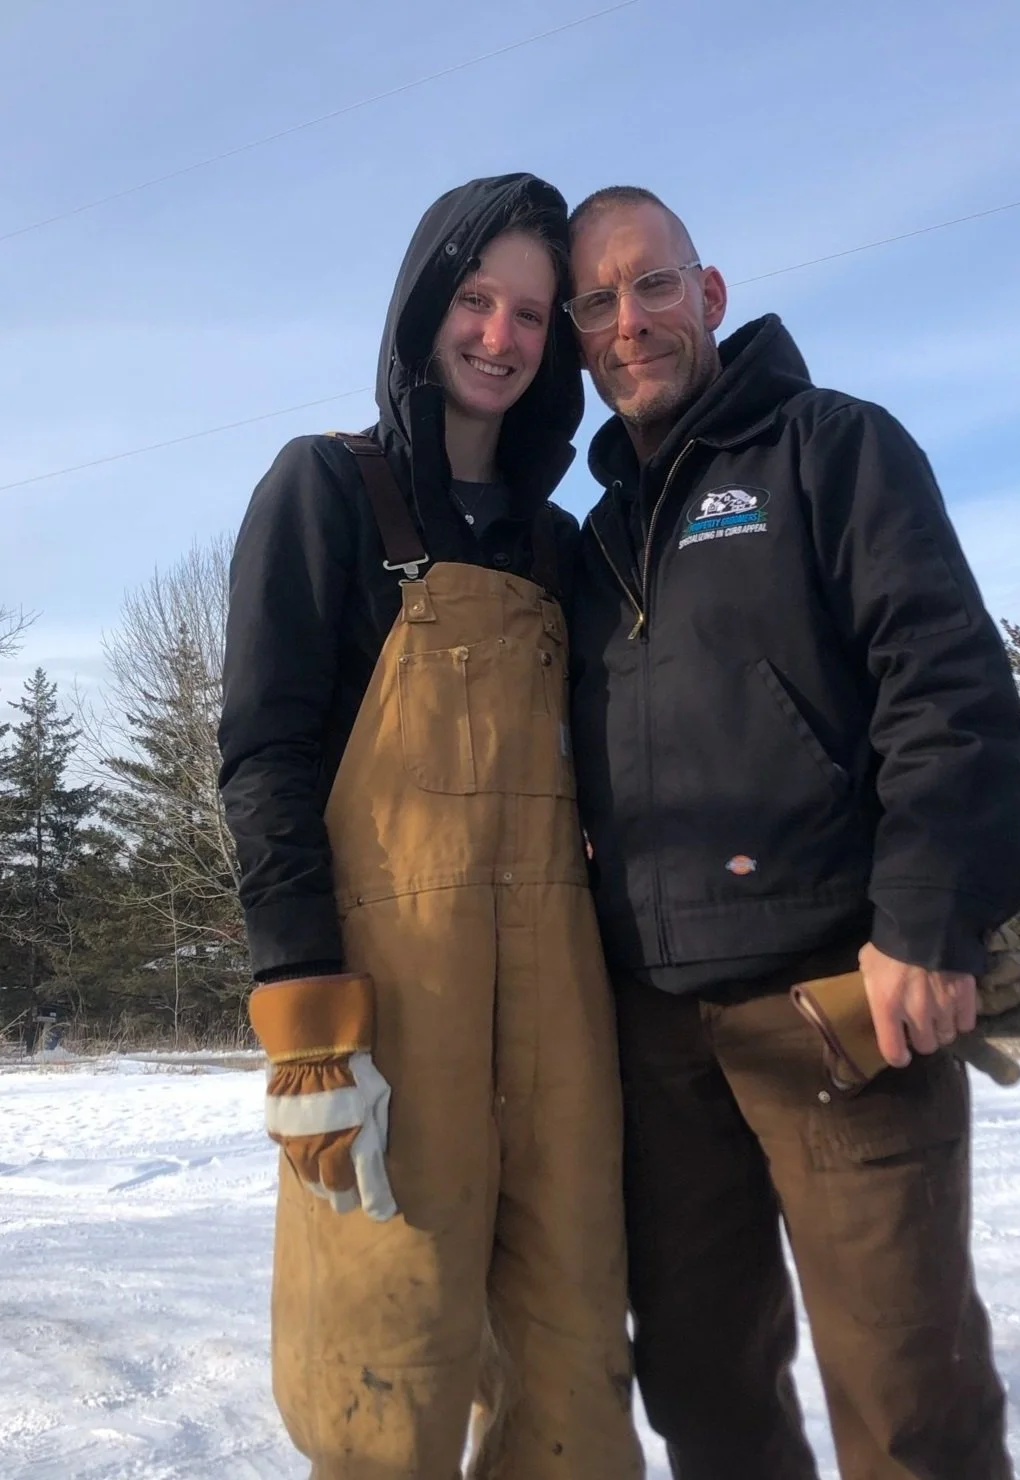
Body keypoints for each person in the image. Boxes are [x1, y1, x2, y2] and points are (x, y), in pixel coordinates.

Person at [565, 184, 1020, 1480]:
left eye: (652, 283)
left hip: (840, 1001)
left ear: (708, 294)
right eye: (596, 300)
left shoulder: (831, 449)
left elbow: (945, 686)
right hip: (656, 1031)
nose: (628, 319)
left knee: (908, 1404)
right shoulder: (593, 540)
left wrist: (928, 921)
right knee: (703, 1393)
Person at [218, 173, 643, 1480]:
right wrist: (305, 1016)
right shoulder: (325, 490)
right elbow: (267, 758)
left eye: (531, 314)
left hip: (559, 1020)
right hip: (393, 1015)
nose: (500, 337)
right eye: (474, 298)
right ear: (421, 305)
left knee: (574, 1368)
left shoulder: (561, 548)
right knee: (385, 1369)